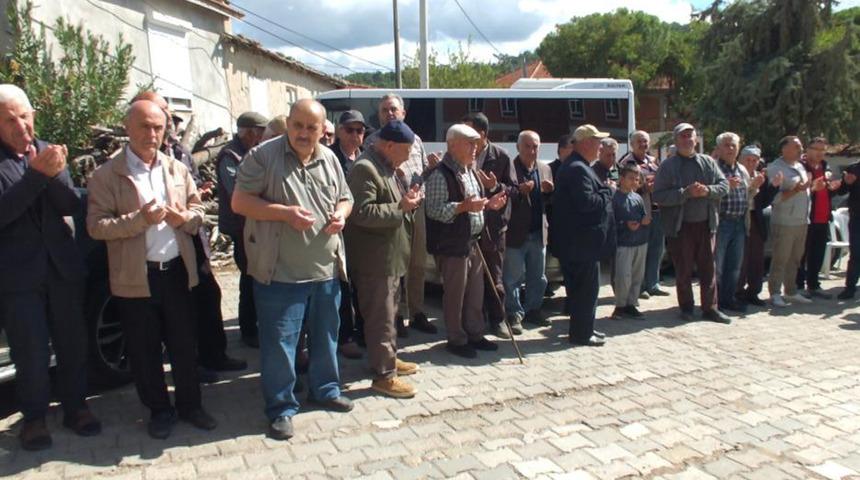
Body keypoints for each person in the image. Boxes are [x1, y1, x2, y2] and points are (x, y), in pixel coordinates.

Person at [88, 100, 216, 439]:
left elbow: (197, 209)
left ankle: (191, 406)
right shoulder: (106, 175)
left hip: (176, 271)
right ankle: (159, 410)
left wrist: (186, 218)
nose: (152, 133)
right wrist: (139, 219)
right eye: (144, 126)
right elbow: (97, 227)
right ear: (128, 128)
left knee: (184, 345)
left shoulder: (176, 169)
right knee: (144, 351)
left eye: (158, 127)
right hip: (135, 276)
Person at [231, 99, 354, 440]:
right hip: (280, 274)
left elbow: (346, 198)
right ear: (288, 122)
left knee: (326, 337)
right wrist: (284, 213)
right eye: (297, 125)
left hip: (325, 270)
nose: (303, 133)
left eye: (311, 128)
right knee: (280, 345)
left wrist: (342, 214)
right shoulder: (263, 156)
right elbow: (240, 202)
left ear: (321, 129)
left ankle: (325, 389)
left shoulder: (329, 158)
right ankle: (281, 407)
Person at [0, 84, 101, 450]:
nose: (20, 125)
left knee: (72, 343)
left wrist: (51, 172)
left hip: (62, 270)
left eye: (24, 116)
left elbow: (70, 206)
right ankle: (34, 419)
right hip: (18, 277)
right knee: (30, 352)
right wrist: (36, 176)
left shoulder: (47, 152)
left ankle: (77, 408)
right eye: (9, 119)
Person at [134, 91, 247, 380]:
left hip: (192, 238)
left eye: (167, 115)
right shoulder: (130, 164)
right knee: (178, 315)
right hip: (159, 249)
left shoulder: (179, 152)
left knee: (209, 296)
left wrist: (198, 192)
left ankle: (215, 355)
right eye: (160, 112)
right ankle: (192, 365)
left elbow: (191, 186)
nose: (167, 119)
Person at [345, 120, 422, 398]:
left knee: (389, 316)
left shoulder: (386, 166)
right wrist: (400, 206)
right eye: (406, 150)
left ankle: (387, 360)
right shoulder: (366, 169)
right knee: (381, 319)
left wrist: (407, 201)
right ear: (389, 145)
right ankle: (383, 376)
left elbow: (392, 206)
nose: (409, 156)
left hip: (389, 258)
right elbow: (361, 213)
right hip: (375, 262)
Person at [425, 123, 507, 358]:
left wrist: (489, 205)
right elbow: (434, 210)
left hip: (473, 241)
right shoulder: (441, 174)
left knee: (475, 293)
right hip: (452, 245)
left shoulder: (469, 170)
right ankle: (456, 338)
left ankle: (475, 334)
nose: (475, 147)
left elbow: (475, 203)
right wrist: (464, 206)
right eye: (470, 143)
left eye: (476, 143)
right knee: (455, 295)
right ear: (452, 145)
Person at [365, 94, 437, 337]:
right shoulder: (372, 142)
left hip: (416, 209)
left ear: (403, 113)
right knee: (395, 265)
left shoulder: (415, 140)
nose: (389, 114)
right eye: (384, 110)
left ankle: (417, 312)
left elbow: (421, 173)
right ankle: (394, 315)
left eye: (393, 109)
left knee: (417, 264)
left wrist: (429, 171)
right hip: (392, 211)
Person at [652, 123, 732, 324]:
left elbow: (724, 186)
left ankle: (710, 308)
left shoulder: (708, 162)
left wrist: (707, 191)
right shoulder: (667, 166)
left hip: (706, 224)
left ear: (696, 140)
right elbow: (659, 196)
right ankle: (686, 308)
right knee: (684, 270)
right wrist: (685, 193)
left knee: (708, 269)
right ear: (676, 140)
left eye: (690, 136)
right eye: (683, 136)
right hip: (681, 228)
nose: (687, 140)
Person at [550, 125, 615, 346]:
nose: (600, 147)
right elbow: (587, 203)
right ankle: (581, 334)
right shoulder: (577, 168)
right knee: (585, 291)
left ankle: (585, 330)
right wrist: (607, 191)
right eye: (598, 142)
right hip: (580, 245)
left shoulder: (578, 165)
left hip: (580, 244)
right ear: (586, 142)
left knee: (585, 291)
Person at [462, 112, 519, 337]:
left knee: (494, 277)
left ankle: (498, 320)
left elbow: (514, 190)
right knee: (471, 280)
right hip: (468, 227)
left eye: (469, 130)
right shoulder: (462, 155)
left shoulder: (501, 156)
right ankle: (472, 321)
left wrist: (495, 187)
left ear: (481, 134)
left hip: (493, 228)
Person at [216, 111, 269, 348]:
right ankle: (249, 331)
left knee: (255, 277)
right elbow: (237, 191)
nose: (261, 138)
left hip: (254, 225)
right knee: (248, 278)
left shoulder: (249, 153)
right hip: (240, 228)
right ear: (249, 133)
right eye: (259, 133)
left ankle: (255, 325)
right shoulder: (230, 156)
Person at [766, 136, 826, 307]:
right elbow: (775, 198)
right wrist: (797, 189)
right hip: (784, 221)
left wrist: (813, 187)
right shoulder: (776, 168)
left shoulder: (799, 165)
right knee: (780, 258)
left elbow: (803, 191)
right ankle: (775, 293)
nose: (801, 150)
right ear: (784, 149)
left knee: (795, 259)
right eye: (797, 146)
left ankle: (791, 291)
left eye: (801, 146)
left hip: (802, 220)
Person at [503, 131, 552, 335]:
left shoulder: (544, 168)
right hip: (516, 232)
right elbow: (503, 194)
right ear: (518, 147)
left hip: (538, 232)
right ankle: (514, 313)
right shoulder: (510, 168)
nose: (532, 151)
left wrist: (550, 192)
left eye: (535, 147)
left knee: (538, 276)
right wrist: (518, 191)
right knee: (513, 277)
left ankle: (533, 309)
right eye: (528, 146)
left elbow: (549, 203)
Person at [331, 110, 368, 359]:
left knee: (362, 285)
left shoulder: (364, 158)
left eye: (360, 130)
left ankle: (363, 332)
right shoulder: (329, 157)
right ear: (339, 130)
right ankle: (344, 336)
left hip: (363, 233)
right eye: (350, 129)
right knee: (343, 287)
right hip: (338, 232)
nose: (355, 135)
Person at [713, 132, 763, 313]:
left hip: (740, 222)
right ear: (718, 149)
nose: (730, 149)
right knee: (718, 265)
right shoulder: (713, 168)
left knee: (734, 265)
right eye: (726, 145)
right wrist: (725, 186)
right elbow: (708, 194)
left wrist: (754, 187)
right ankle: (714, 301)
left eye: (733, 145)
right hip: (721, 223)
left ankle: (728, 299)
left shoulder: (741, 170)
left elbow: (746, 196)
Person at [619, 130, 669, 298]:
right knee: (640, 251)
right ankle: (639, 287)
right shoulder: (626, 162)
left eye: (646, 141)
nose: (643, 144)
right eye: (640, 141)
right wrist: (643, 188)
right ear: (632, 144)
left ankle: (653, 283)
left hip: (657, 210)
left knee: (657, 249)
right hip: (639, 212)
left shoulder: (654, 161)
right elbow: (623, 188)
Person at [796, 137, 842, 299]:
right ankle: (798, 286)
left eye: (823, 150)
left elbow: (828, 191)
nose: (820, 153)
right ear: (808, 150)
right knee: (801, 253)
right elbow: (798, 192)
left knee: (818, 253)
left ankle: (814, 285)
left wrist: (833, 188)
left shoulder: (824, 166)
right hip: (806, 218)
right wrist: (813, 188)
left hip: (823, 218)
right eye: (816, 149)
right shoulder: (801, 166)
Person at [736, 146, 776, 306]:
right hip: (739, 219)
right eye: (748, 160)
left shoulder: (760, 176)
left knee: (756, 259)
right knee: (741, 259)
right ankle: (737, 292)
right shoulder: (736, 174)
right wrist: (751, 186)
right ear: (741, 159)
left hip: (756, 219)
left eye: (755, 160)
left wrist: (774, 187)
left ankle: (753, 292)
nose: (751, 163)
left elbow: (764, 201)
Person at [611, 163, 650, 319]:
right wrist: (625, 224)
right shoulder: (615, 198)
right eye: (631, 178)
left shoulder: (637, 197)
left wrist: (643, 220)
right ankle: (620, 306)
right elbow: (611, 221)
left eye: (636, 179)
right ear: (622, 179)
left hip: (640, 241)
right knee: (623, 276)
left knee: (637, 275)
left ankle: (631, 304)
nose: (634, 182)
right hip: (623, 243)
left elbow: (643, 215)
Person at [836, 160, 860, 299]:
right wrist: (846, 183)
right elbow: (841, 191)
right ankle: (850, 288)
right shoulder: (854, 168)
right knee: (856, 253)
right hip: (857, 217)